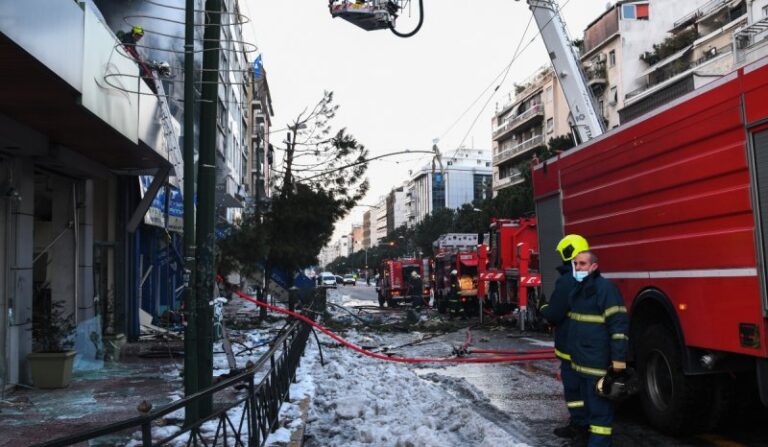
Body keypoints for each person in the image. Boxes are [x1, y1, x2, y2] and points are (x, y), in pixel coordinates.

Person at [566, 250, 629, 447]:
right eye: (576, 264)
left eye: (583, 264)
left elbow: (618, 327)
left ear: (594, 266)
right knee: (588, 411)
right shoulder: (579, 289)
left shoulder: (605, 289)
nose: (578, 268)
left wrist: (618, 361)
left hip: (596, 365)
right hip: (581, 364)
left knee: (600, 415)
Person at [539, 234, 590, 441]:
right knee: (589, 388)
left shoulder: (567, 282)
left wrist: (542, 307)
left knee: (574, 389)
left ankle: (579, 425)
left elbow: (554, 314)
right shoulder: (595, 278)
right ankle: (591, 425)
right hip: (591, 346)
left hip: (571, 346)